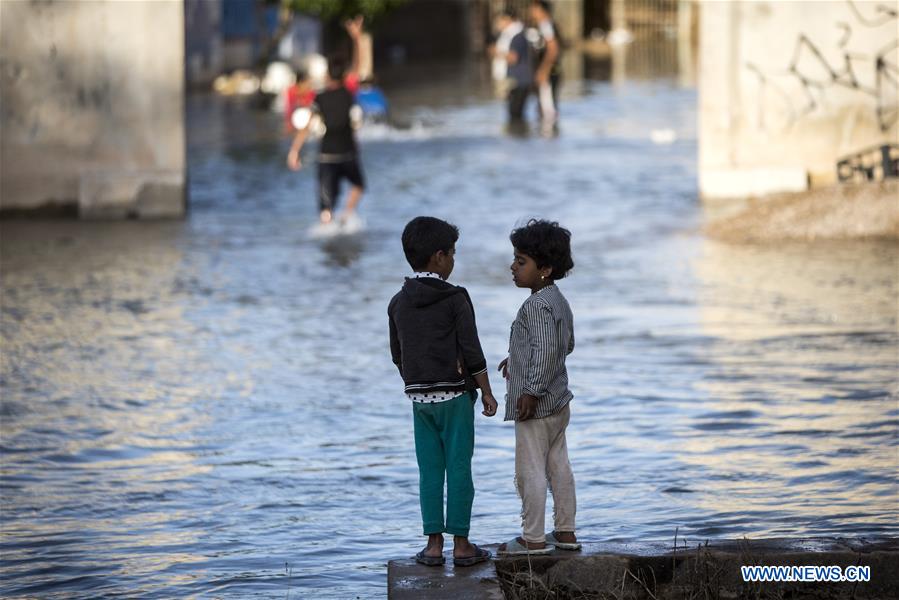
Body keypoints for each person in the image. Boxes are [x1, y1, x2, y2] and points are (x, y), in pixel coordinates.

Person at [388, 216, 498, 568]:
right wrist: (487, 392)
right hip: (454, 398)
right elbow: (472, 349)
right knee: (459, 467)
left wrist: (416, 378)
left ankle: (433, 546)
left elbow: (397, 354)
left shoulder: (397, 303)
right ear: (438, 257)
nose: (453, 261)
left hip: (419, 400)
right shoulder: (455, 298)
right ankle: (462, 544)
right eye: (452, 254)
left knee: (430, 470)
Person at [496, 219, 580, 556]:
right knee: (558, 466)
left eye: (521, 261)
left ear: (544, 268)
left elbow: (545, 351)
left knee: (529, 470)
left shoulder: (535, 306)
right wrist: (514, 359)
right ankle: (566, 532)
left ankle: (532, 539)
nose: (512, 267)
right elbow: (564, 345)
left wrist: (529, 390)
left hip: (537, 407)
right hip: (559, 404)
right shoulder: (558, 300)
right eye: (514, 259)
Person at [286, 17, 365, 225]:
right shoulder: (349, 92)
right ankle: (347, 216)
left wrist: (294, 151)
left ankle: (327, 226)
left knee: (325, 206)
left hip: (326, 155)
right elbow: (358, 67)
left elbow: (306, 128)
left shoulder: (318, 98)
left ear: (328, 73)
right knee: (358, 186)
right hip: (348, 152)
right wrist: (356, 39)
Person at [493, 10, 533, 126]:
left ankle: (518, 138)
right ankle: (517, 138)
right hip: (516, 80)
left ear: (508, 20)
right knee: (514, 113)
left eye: (500, 21)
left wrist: (497, 53)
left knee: (515, 113)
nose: (498, 24)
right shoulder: (511, 35)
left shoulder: (517, 36)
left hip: (519, 81)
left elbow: (513, 58)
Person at [528, 0, 562, 128]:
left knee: (548, 109)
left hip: (550, 71)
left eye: (534, 9)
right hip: (551, 70)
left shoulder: (546, 25)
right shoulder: (546, 25)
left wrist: (543, 70)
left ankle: (549, 139)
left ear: (541, 10)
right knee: (544, 106)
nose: (532, 12)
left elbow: (553, 48)